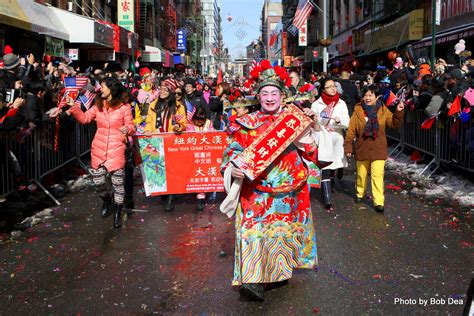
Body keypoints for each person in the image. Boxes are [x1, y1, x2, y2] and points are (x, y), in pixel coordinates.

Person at [220, 65, 324, 301]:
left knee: (282, 234)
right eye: (265, 94)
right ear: (258, 96)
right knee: (254, 234)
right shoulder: (245, 123)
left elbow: (312, 152)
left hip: (290, 190)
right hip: (256, 192)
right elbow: (231, 153)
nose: (269, 98)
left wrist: (316, 131)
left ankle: (278, 273)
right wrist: (232, 168)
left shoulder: (295, 121)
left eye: (274, 94)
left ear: (282, 96)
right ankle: (253, 279)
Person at [67, 77, 135, 228]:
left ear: (112, 89)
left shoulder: (124, 108)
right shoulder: (97, 106)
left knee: (118, 184)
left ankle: (117, 211)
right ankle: (106, 200)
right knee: (98, 182)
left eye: (103, 87)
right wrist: (74, 108)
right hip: (98, 148)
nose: (100, 89)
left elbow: (131, 126)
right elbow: (85, 119)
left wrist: (127, 129)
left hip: (116, 148)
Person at [344, 84, 405, 213]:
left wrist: (399, 111)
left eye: (370, 95)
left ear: (377, 97)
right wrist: (348, 145)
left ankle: (378, 202)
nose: (367, 98)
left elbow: (394, 123)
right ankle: (360, 193)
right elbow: (351, 130)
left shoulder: (383, 110)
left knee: (377, 176)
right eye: (365, 95)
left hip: (378, 148)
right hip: (362, 148)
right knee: (361, 174)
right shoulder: (358, 111)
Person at [144, 78, 186, 212]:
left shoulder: (179, 107)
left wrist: (178, 127)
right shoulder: (153, 105)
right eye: (160, 89)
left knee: (172, 169)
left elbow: (182, 123)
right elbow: (149, 122)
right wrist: (148, 130)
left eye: (165, 89)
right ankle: (164, 191)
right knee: (159, 167)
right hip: (157, 140)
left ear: (171, 91)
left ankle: (171, 197)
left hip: (172, 140)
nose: (161, 92)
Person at [311, 78, 350, 210]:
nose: (333, 89)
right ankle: (327, 199)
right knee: (325, 168)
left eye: (334, 86)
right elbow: (313, 125)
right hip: (323, 139)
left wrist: (340, 122)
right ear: (323, 89)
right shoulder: (317, 104)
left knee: (335, 165)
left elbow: (347, 122)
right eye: (329, 87)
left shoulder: (341, 103)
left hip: (337, 139)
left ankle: (333, 181)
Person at [186, 106, 215, 211]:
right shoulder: (188, 125)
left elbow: (213, 134)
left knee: (202, 174)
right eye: (197, 121)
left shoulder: (209, 123)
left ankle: (201, 196)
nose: (199, 124)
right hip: (192, 154)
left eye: (201, 122)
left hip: (206, 154)